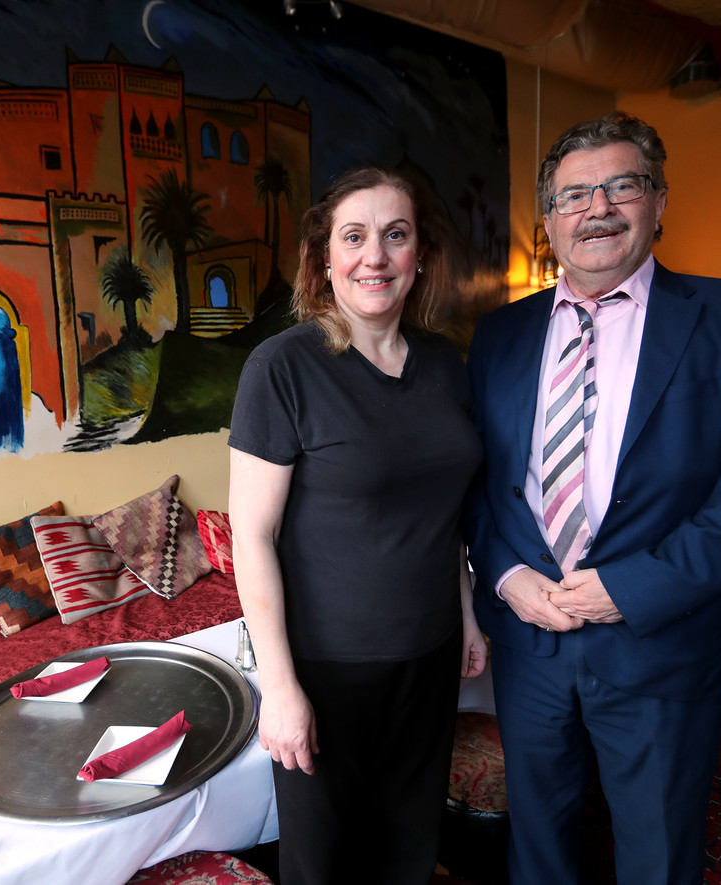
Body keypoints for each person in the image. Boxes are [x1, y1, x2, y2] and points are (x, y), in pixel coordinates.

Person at [463, 112, 721, 885]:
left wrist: (631, 586)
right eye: (575, 193)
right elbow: (478, 482)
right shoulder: (499, 335)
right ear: (549, 220)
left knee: (658, 852)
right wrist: (508, 575)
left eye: (623, 185)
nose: (599, 207)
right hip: (532, 645)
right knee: (539, 846)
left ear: (658, 201)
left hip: (663, 642)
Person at [228, 165, 487, 885]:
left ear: (419, 256)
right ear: (324, 259)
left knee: (409, 847)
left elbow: (449, 510)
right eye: (355, 236)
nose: (375, 255)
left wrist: (464, 609)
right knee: (325, 863)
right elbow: (252, 536)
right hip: (326, 669)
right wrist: (280, 689)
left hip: (428, 654)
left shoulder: (445, 364)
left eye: (395, 235)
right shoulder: (281, 368)